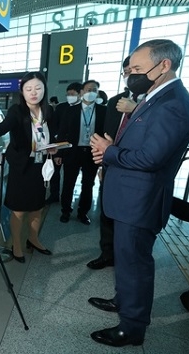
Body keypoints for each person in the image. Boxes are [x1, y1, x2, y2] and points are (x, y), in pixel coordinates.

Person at [88, 39, 189, 347]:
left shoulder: (174, 104)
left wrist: (110, 152)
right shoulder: (156, 96)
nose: (132, 75)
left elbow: (151, 158)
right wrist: (112, 150)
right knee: (126, 259)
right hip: (129, 197)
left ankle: (132, 327)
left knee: (135, 264)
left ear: (164, 65)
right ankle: (124, 302)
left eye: (137, 69)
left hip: (140, 201)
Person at [0, 72, 56, 263]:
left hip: (41, 167)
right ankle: (17, 244)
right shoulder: (17, 111)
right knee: (19, 210)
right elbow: (5, 125)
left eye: (38, 88)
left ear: (44, 89)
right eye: (28, 89)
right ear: (22, 91)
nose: (33, 93)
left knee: (37, 208)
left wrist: (54, 147)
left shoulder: (48, 111)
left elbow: (52, 135)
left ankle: (33, 238)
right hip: (22, 168)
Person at [87, 57, 137, 270]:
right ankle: (107, 252)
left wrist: (135, 110)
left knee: (129, 217)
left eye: (136, 70)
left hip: (135, 168)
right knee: (107, 210)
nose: (130, 75)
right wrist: (101, 164)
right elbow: (107, 134)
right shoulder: (115, 101)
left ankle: (126, 259)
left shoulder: (152, 103)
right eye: (126, 71)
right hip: (110, 164)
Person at [56, 80, 106, 225]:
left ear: (97, 93)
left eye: (94, 90)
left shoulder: (104, 111)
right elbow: (62, 133)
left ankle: (83, 213)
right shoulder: (70, 110)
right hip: (73, 151)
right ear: (82, 92)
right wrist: (59, 153)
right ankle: (66, 211)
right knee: (68, 183)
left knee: (88, 184)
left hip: (93, 152)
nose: (91, 92)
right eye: (88, 89)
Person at [47, 82, 82, 204]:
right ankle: (54, 195)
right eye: (68, 94)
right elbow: (54, 125)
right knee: (54, 173)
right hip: (58, 145)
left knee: (69, 177)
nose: (69, 96)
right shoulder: (61, 107)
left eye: (72, 94)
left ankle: (66, 201)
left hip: (74, 149)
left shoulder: (83, 109)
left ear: (80, 94)